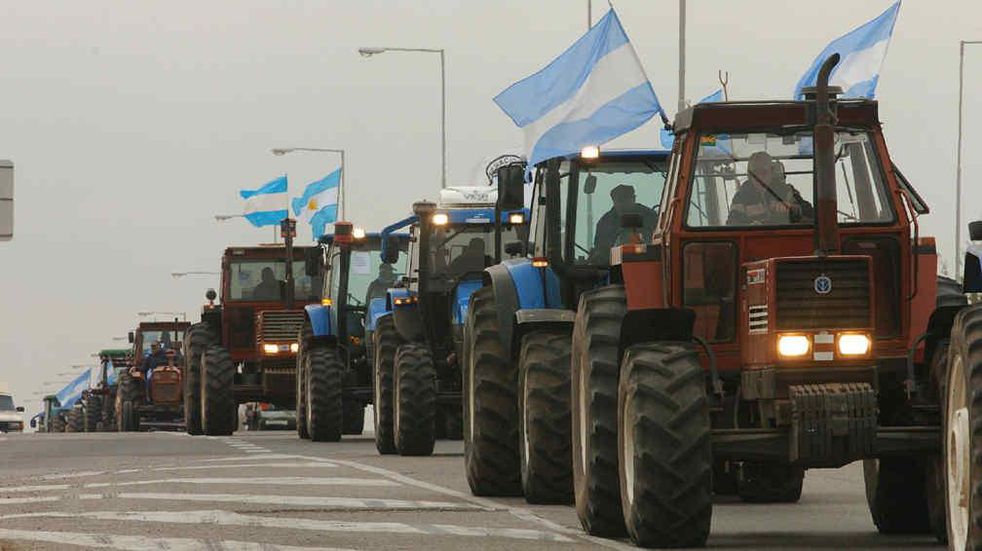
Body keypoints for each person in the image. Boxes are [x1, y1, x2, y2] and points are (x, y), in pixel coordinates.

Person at [727, 152, 814, 225]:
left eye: (763, 172)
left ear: (772, 172)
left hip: (784, 239)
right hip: (754, 241)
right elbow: (732, 223)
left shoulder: (787, 191)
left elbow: (811, 214)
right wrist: (749, 226)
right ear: (749, 175)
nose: (759, 177)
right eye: (755, 173)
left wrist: (792, 208)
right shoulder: (741, 196)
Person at [591, 184, 659, 264]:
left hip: (648, 263)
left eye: (625, 200)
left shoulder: (650, 216)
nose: (622, 205)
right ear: (614, 201)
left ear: (633, 198)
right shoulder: (605, 222)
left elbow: (657, 242)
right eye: (619, 201)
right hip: (612, 266)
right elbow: (601, 248)